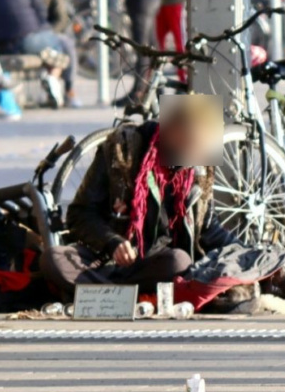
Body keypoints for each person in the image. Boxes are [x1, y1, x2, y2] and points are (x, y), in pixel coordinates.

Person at [40, 103, 234, 296]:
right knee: (53, 259)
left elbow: (209, 228)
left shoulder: (198, 171)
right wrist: (112, 241)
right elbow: (79, 214)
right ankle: (118, 295)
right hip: (105, 261)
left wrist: (246, 252)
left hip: (155, 265)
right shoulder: (119, 151)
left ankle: (102, 294)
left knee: (179, 262)